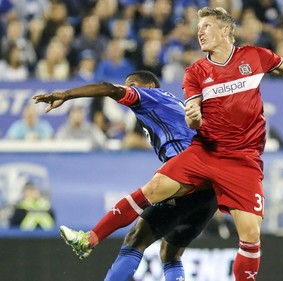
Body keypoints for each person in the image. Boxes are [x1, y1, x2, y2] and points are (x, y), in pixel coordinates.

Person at [35, 7, 283, 281]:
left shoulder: (253, 57)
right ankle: (91, 238)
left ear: (226, 30)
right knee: (164, 230)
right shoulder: (195, 72)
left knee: (248, 235)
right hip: (205, 154)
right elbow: (194, 115)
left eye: (206, 25)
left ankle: (90, 239)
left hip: (242, 160)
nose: (200, 31)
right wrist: (194, 116)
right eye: (198, 27)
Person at [33, 70, 217, 281]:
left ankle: (90, 238)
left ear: (148, 87)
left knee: (136, 236)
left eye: (132, 84)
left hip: (188, 169)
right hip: (209, 190)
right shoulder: (173, 104)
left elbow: (109, 88)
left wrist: (66, 94)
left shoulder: (150, 97)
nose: (128, 87)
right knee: (170, 253)